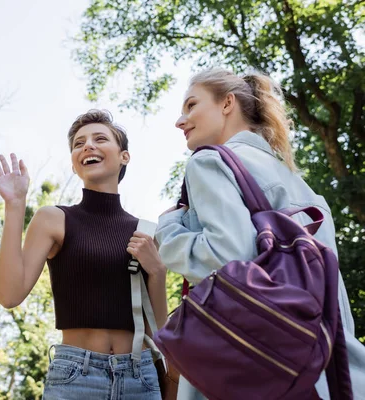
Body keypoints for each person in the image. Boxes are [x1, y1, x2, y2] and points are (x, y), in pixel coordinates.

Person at [155, 68, 365, 399]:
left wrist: (167, 229)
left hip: (254, 371)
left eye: (191, 105)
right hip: (331, 373)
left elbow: (225, 258)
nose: (180, 121)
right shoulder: (304, 188)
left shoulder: (209, 162)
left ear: (227, 103)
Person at [0, 110, 167, 399]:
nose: (88, 146)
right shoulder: (53, 219)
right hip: (76, 377)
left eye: (100, 138)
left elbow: (159, 332)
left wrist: (158, 271)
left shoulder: (146, 231)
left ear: (124, 156)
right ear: (74, 164)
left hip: (140, 379)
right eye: (78, 143)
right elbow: (9, 296)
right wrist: (15, 205)